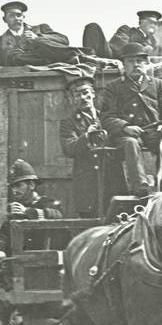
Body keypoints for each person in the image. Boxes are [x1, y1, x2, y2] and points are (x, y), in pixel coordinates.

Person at [100, 42, 162, 197]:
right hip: (126, 135)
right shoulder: (113, 87)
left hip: (153, 132)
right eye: (130, 61)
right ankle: (140, 185)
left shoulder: (157, 84)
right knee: (131, 143)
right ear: (124, 65)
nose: (135, 65)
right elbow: (106, 117)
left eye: (139, 61)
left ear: (146, 63)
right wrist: (125, 127)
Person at [59, 73, 115, 217]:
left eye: (85, 93)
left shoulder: (107, 117)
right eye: (77, 95)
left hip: (111, 178)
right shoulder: (68, 123)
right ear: (72, 99)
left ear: (93, 94)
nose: (83, 97)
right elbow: (69, 148)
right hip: (87, 184)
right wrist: (87, 136)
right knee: (90, 226)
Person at [0, 159, 64, 262]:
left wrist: (28, 212)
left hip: (46, 264)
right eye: (13, 187)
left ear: (31, 185)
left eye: (19, 186)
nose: (15, 191)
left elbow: (57, 216)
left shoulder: (48, 204)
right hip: (21, 264)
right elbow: (3, 234)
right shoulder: (16, 210)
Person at [0, 1, 75, 69]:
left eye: (19, 15)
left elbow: (64, 40)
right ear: (4, 19)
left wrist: (37, 37)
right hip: (17, 75)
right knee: (13, 56)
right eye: (11, 16)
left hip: (45, 69)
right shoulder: (0, 41)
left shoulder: (40, 28)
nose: (16, 18)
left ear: (23, 17)